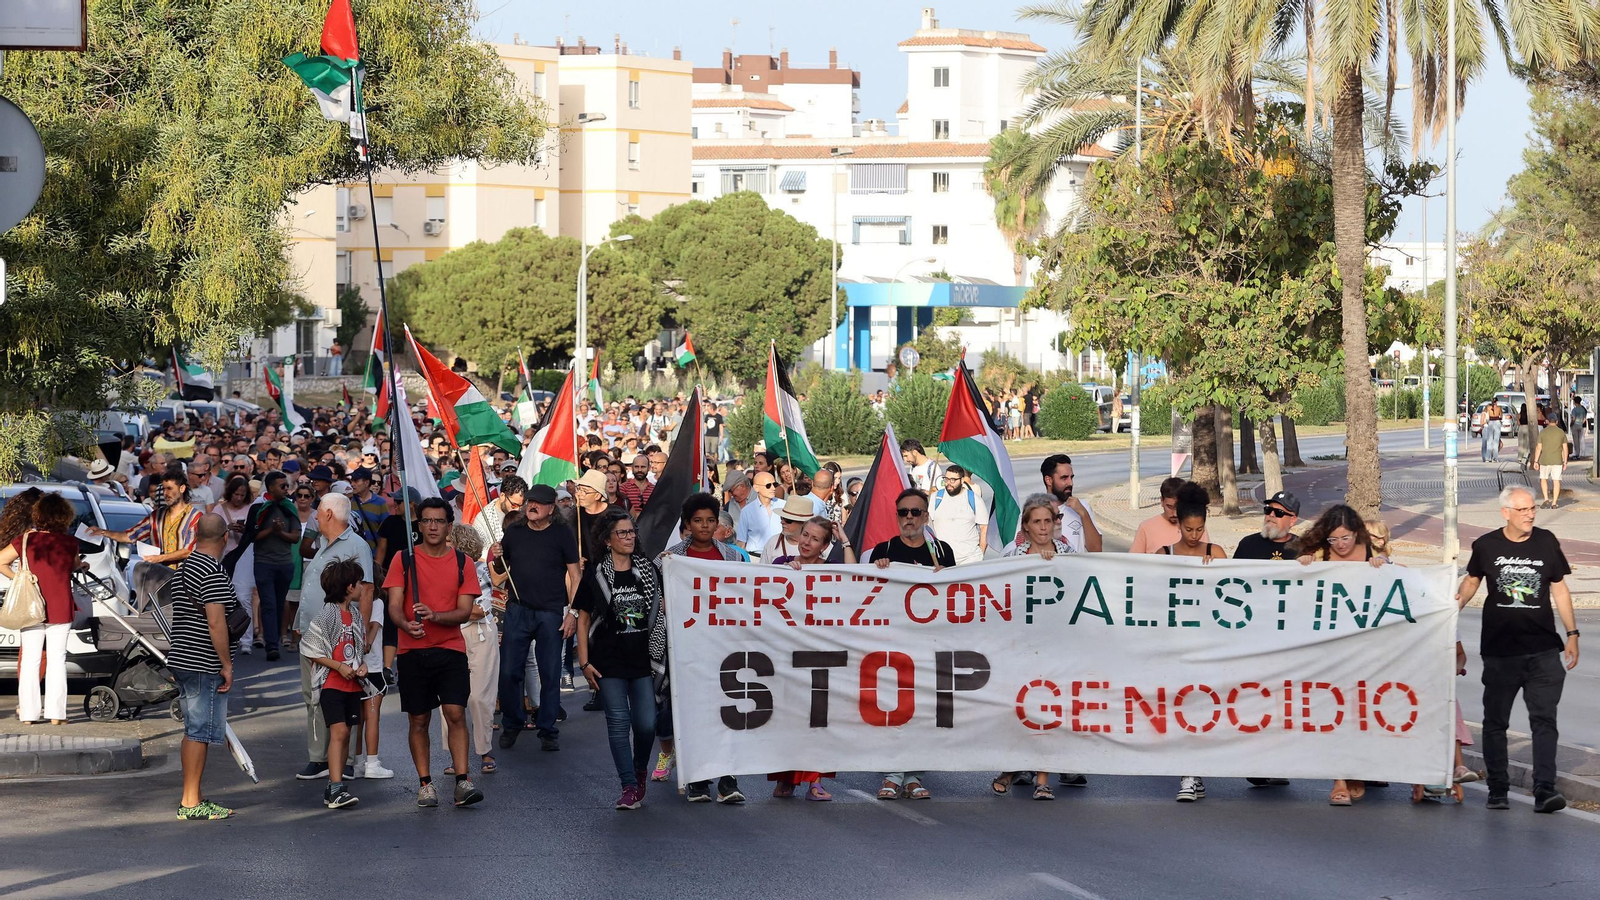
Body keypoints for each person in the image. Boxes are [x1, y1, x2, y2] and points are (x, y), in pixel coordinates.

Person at [1456, 485, 1579, 813]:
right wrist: (1451, 607)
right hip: (1500, 651)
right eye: (1523, 510)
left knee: (1544, 721)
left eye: (1532, 509)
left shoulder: (1546, 541)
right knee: (1496, 722)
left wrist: (1572, 633)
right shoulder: (1485, 545)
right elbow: (1472, 580)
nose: (1530, 515)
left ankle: (1545, 790)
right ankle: (1498, 788)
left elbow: (1560, 590)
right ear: (1505, 513)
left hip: (1542, 651)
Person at [382, 497, 485, 808]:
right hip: (413, 650)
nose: (432, 526)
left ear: (449, 526)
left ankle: (463, 781)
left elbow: (465, 611)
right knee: (418, 719)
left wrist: (435, 616)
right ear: (419, 525)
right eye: (426, 520)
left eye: (439, 521)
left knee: (455, 712)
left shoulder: (462, 563)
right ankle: (425, 784)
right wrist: (406, 624)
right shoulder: (403, 559)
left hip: (450, 648)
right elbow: (394, 606)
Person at [657, 493, 748, 802]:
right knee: (693, 711)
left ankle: (728, 778)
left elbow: (748, 593)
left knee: (727, 710)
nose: (705, 526)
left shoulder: (733, 557)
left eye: (710, 520)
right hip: (687, 647)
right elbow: (659, 599)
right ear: (687, 524)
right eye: (698, 521)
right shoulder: (670, 558)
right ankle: (697, 777)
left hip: (724, 646)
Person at [575, 509, 667, 811]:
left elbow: (664, 606)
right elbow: (584, 618)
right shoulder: (596, 573)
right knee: (618, 724)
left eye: (632, 532)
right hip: (608, 660)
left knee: (645, 724)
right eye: (622, 533)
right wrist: (585, 663)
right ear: (607, 539)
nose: (629, 538)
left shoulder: (649, 570)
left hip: (643, 660)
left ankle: (640, 770)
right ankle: (628, 785)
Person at [1297, 504, 1386, 806]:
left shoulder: (1369, 550)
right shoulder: (1319, 552)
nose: (1341, 545)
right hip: (1329, 647)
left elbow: (1393, 582)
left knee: (1360, 711)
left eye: (1345, 538)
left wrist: (1383, 564)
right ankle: (1338, 779)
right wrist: (1304, 563)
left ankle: (1354, 769)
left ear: (1356, 532)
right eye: (1334, 540)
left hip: (1364, 646)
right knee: (1334, 712)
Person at [869, 487, 954, 800]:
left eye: (915, 512)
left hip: (928, 643)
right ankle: (892, 775)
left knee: (921, 712)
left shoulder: (942, 551)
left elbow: (954, 596)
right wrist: (876, 572)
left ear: (926, 516)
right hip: (892, 643)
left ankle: (913, 775)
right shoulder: (883, 550)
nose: (909, 518)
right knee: (893, 710)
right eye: (903, 512)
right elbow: (867, 594)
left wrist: (945, 577)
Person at [766, 515, 856, 802]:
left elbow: (856, 579)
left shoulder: (830, 570)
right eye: (805, 535)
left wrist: (846, 540)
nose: (807, 542)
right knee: (790, 717)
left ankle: (815, 780)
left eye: (815, 539)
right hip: (787, 653)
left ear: (825, 546)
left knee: (819, 718)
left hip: (821, 653)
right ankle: (787, 779)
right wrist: (786, 576)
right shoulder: (782, 565)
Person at [993, 493, 1072, 800]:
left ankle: (1042, 778)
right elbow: (996, 592)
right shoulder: (1013, 557)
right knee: (1018, 710)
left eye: (1048, 521)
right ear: (1025, 526)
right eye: (1036, 522)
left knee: (1050, 709)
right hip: (1020, 646)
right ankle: (1012, 766)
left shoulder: (1069, 553)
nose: (1043, 527)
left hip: (1057, 644)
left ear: (1055, 524)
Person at [291, 492, 374, 781]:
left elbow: (367, 591)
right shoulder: (324, 543)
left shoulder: (356, 545)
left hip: (341, 638)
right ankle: (319, 758)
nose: (314, 516)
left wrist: (360, 637)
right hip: (314, 636)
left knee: (343, 695)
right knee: (312, 695)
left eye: (318, 512)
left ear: (327, 514)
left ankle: (345, 760)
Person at [492, 483, 580, 752]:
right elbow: (499, 571)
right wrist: (496, 557)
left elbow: (576, 576)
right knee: (508, 671)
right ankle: (512, 722)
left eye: (539, 502)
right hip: (518, 609)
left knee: (550, 673)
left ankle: (547, 728)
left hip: (550, 612)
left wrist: (573, 613)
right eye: (529, 500)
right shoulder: (515, 531)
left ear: (551, 508)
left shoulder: (562, 533)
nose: (532, 505)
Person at [1155, 483, 1227, 803]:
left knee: (1200, 707)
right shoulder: (1164, 555)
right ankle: (1190, 772)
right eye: (1188, 529)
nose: (1195, 535)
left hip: (1208, 643)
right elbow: (1149, 596)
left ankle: (1192, 772)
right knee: (1181, 707)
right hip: (1175, 643)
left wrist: (1217, 577)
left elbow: (1235, 597)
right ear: (1178, 523)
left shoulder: (1217, 553)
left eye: (1200, 529)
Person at [166, 514, 237, 820]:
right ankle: (191, 802)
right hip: (202, 660)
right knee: (198, 731)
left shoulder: (186, 567)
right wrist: (226, 664)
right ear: (224, 538)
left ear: (195, 536)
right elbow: (216, 621)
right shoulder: (213, 572)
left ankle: (191, 796)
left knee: (192, 729)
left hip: (181, 656)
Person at [1, 493, 82, 726]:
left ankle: (28, 714)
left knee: (30, 660)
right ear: (64, 517)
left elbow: (0, 561)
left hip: (30, 606)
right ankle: (57, 714)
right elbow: (74, 565)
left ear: (38, 515)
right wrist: (81, 565)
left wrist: (19, 578)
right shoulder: (69, 543)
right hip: (60, 607)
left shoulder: (25, 540)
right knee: (57, 659)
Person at [299, 558, 369, 809]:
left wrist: (362, 666)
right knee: (339, 732)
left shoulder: (355, 614)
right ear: (349, 587)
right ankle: (336, 786)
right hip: (332, 684)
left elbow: (359, 649)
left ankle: (334, 787)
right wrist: (338, 666)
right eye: (359, 583)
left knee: (346, 732)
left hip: (351, 685)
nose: (363, 587)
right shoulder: (328, 614)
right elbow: (309, 647)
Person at [448, 525, 500, 776]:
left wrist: (443, 613)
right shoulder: (439, 571)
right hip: (449, 635)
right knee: (449, 699)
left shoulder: (479, 569)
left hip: (478, 634)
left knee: (479, 697)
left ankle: (485, 750)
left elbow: (481, 609)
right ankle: (455, 755)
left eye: (448, 541)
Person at [248, 471, 299, 661]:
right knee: (268, 603)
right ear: (270, 488)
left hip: (285, 564)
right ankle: (271, 645)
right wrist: (271, 529)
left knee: (279, 603)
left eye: (287, 486)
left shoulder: (289, 508)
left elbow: (295, 537)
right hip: (264, 563)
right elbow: (253, 537)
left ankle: (276, 638)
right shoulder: (259, 509)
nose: (286, 489)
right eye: (282, 486)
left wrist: (280, 533)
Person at [928, 464, 990, 564]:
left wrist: (980, 555)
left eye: (953, 480)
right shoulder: (935, 498)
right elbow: (926, 525)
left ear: (962, 480)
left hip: (970, 560)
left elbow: (984, 528)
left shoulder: (974, 499)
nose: (949, 483)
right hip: (943, 560)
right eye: (946, 479)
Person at [1131, 477, 1210, 553]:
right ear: (1162, 501)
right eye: (1170, 507)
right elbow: (1133, 562)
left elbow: (1206, 552)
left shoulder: (1195, 527)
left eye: (1177, 507)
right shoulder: (1146, 528)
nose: (1175, 513)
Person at [1234, 491, 1302, 560]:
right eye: (1268, 510)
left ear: (1292, 520)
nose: (1271, 514)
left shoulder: (1303, 549)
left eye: (1279, 512)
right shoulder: (1247, 544)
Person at [734, 472, 784, 560]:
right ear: (756, 488)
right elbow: (741, 541)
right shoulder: (747, 511)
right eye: (768, 485)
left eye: (775, 484)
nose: (773, 488)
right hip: (755, 558)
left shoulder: (784, 506)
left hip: (780, 558)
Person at [762, 495, 816, 561]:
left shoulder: (818, 545)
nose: (782, 522)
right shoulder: (773, 542)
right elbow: (763, 570)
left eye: (788, 520)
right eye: (782, 518)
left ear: (804, 523)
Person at [1533, 413, 1568, 509]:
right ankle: (1554, 502)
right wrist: (1565, 462)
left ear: (1547, 421)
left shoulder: (1543, 432)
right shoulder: (1561, 432)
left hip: (1544, 460)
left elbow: (1538, 448)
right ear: (1557, 421)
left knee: (1543, 479)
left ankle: (1546, 498)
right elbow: (1565, 448)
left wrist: (1535, 461)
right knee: (1556, 481)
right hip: (1557, 460)